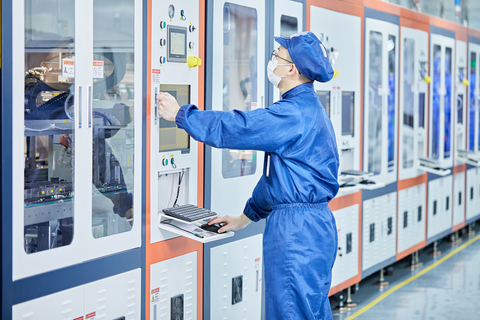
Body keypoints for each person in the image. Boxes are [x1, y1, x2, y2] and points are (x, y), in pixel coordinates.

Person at [157, 31, 339, 320]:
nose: (272, 61)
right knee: (308, 310)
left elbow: (238, 127)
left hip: (296, 231)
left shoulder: (292, 113)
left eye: (277, 55)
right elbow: (277, 179)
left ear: (291, 69)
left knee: (291, 312)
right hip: (312, 227)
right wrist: (244, 218)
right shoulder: (310, 110)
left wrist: (182, 115)